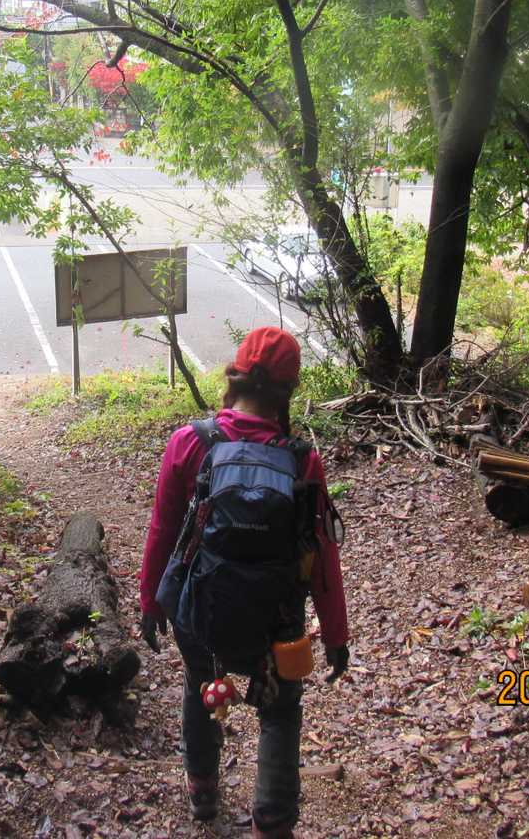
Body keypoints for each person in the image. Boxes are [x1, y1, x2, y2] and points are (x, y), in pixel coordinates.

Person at [137, 326, 350, 839]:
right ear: (287, 390)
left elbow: (163, 529)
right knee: (280, 711)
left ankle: (202, 790)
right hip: (277, 621)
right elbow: (322, 555)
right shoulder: (302, 459)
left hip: (201, 611)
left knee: (199, 685)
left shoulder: (191, 442)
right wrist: (336, 635)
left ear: (234, 376)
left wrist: (150, 601)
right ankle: (271, 822)